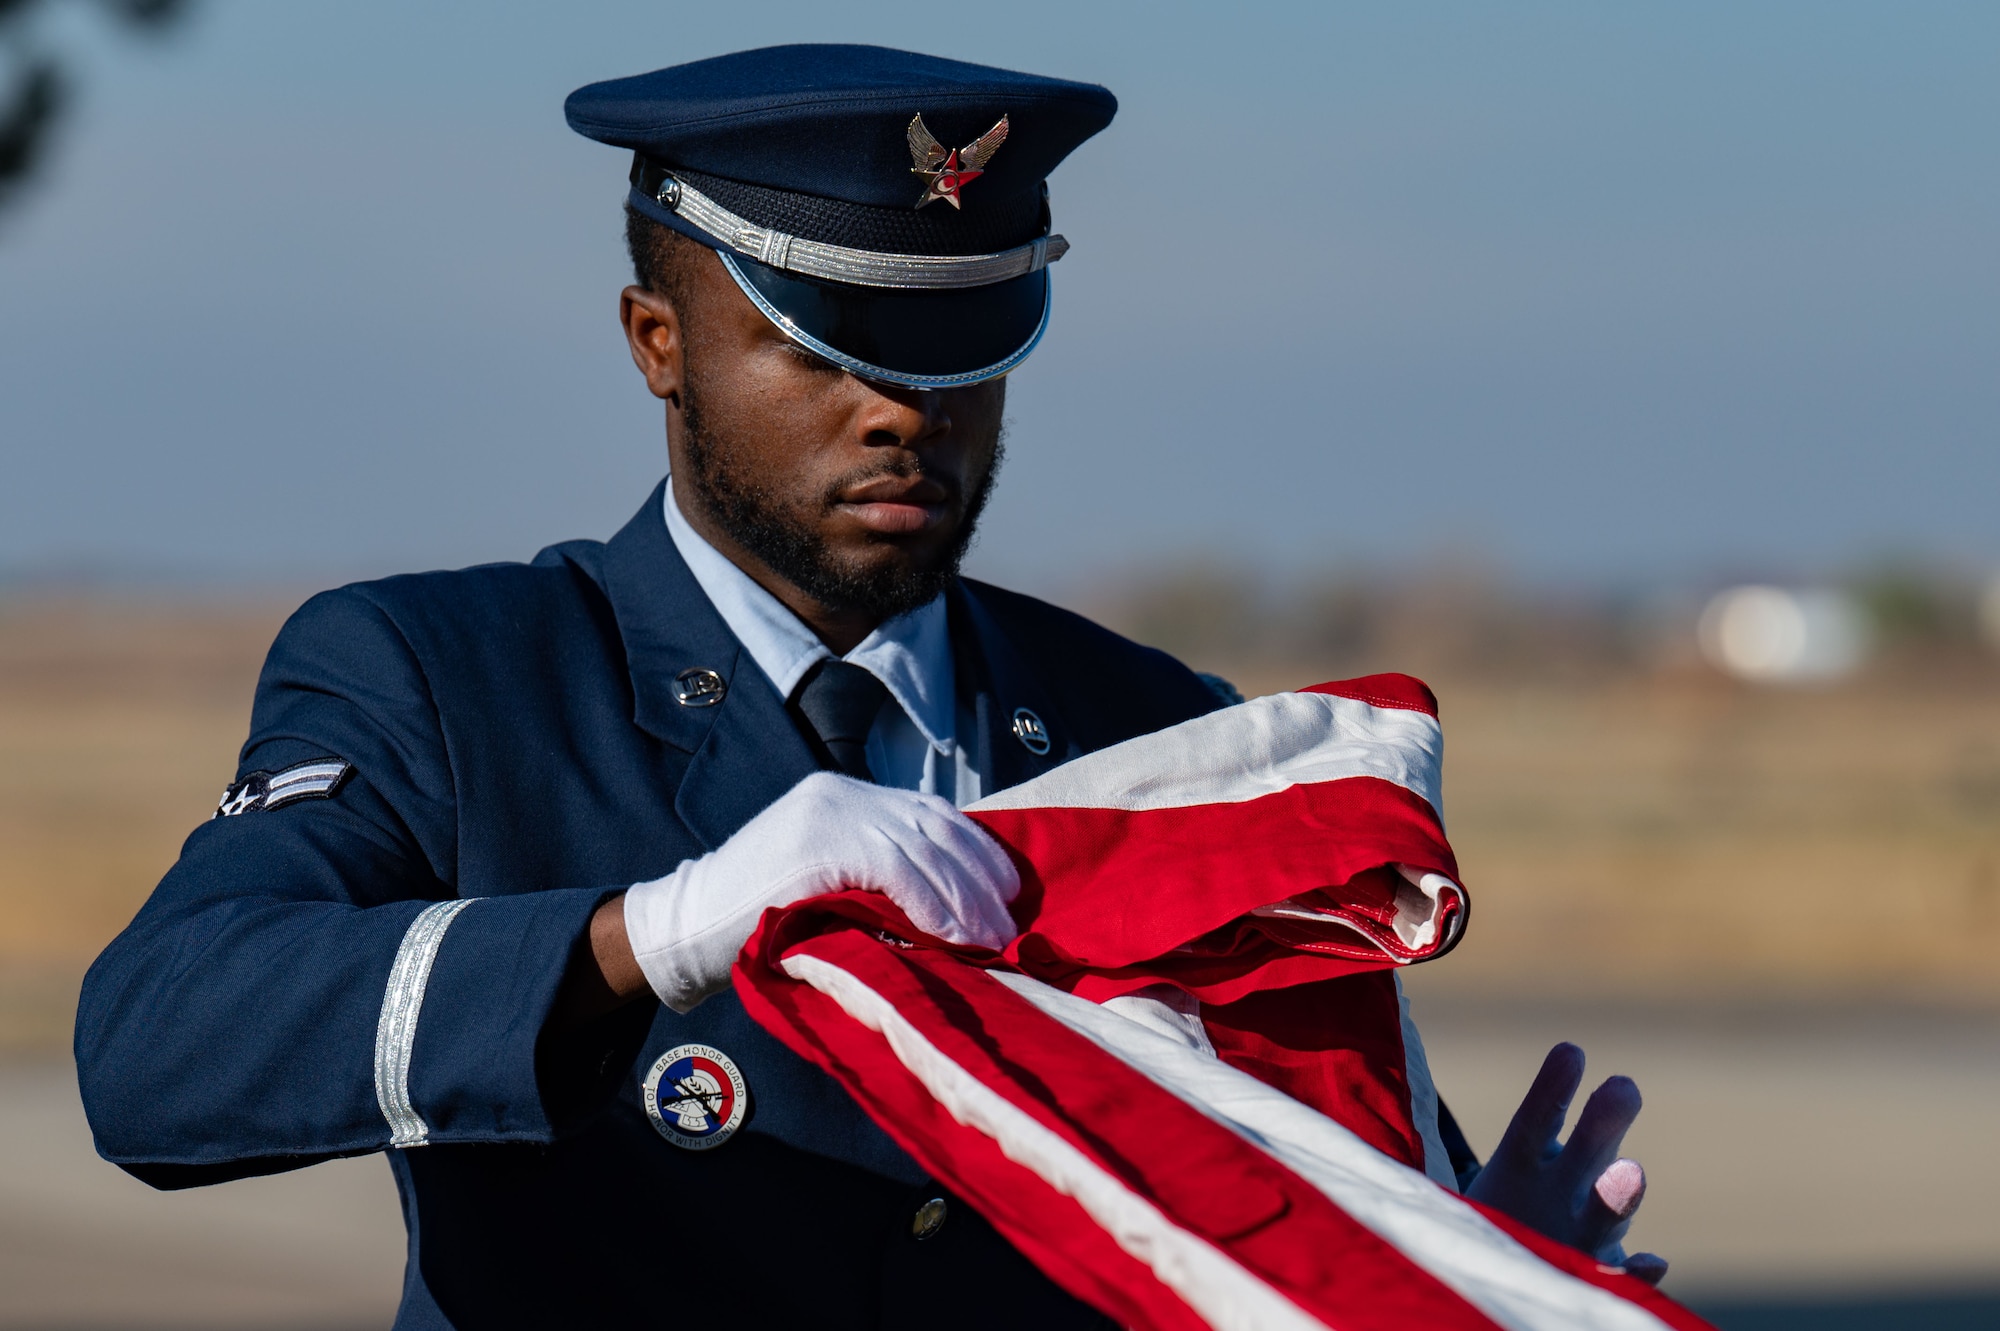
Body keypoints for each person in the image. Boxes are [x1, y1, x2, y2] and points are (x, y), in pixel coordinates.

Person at [74, 44, 1662, 1330]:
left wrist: (1443, 1260)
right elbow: (161, 1049)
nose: (903, 409)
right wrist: (658, 929)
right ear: (657, 343)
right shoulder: (450, 676)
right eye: (829, 343)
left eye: (954, 343)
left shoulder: (1153, 729)